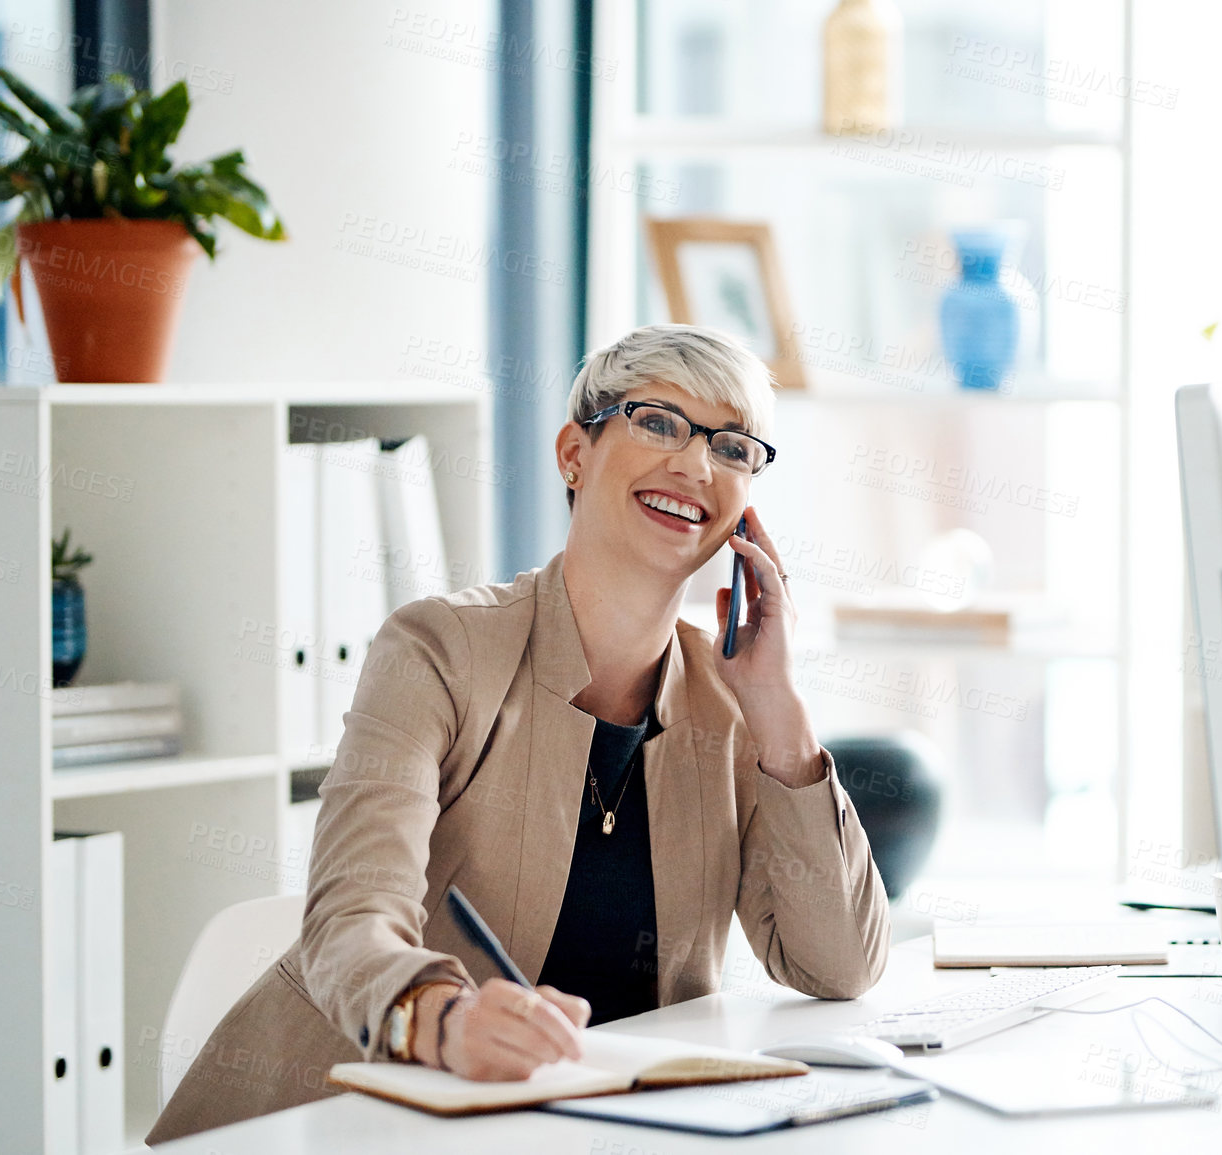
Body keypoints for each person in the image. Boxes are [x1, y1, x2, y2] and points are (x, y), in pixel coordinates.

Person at [147, 324, 890, 1142]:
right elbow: (350, 916)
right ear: (575, 453)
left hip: (582, 1127)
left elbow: (838, 965)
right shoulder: (437, 648)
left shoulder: (730, 696)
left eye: (733, 445)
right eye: (656, 422)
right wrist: (443, 1017)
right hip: (343, 1123)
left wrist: (780, 715)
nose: (695, 463)